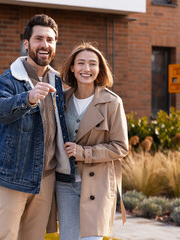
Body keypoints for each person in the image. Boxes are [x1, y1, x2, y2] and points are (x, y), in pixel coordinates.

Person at [0, 14, 68, 240]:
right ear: (26, 43)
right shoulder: (6, 80)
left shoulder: (58, 82)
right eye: (39, 39)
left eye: (50, 40)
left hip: (46, 178)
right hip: (12, 176)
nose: (45, 45)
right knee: (5, 236)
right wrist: (29, 98)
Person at [55, 42, 129, 240]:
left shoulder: (112, 102)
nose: (86, 69)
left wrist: (84, 153)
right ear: (72, 67)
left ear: (99, 69)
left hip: (97, 182)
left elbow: (121, 147)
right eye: (81, 63)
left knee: (91, 238)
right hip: (64, 183)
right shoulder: (61, 100)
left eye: (92, 64)